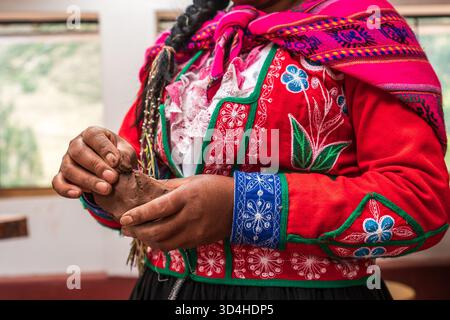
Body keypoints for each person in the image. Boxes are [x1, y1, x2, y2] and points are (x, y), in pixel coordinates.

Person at [52, 0, 450, 300]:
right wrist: (99, 175)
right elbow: (129, 190)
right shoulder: (184, 49)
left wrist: (243, 208)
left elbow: (421, 202)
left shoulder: (366, 33)